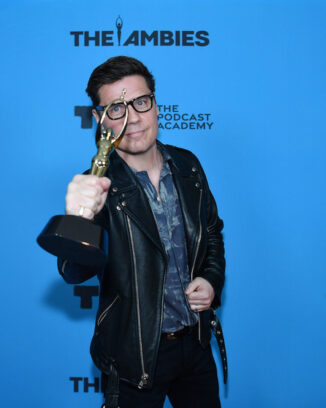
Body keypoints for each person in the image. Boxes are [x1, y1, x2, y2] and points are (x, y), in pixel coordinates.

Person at [59, 56, 225, 408]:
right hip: (134, 360)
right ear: (99, 119)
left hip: (195, 346)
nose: (132, 118)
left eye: (140, 102)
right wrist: (77, 218)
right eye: (116, 108)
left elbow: (211, 232)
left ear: (155, 104)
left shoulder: (188, 165)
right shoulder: (96, 186)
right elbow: (73, 272)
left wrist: (210, 279)